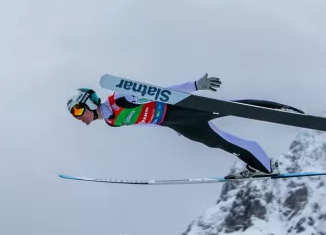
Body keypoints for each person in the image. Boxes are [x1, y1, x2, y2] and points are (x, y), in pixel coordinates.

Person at [66, 74, 299, 179]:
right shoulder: (111, 121)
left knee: (232, 108)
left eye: (77, 110)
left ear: (89, 102)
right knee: (219, 142)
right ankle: (265, 166)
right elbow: (142, 119)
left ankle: (279, 109)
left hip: (180, 110)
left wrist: (195, 85)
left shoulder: (119, 99)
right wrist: (170, 126)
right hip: (174, 123)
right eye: (74, 114)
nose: (78, 117)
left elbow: (162, 92)